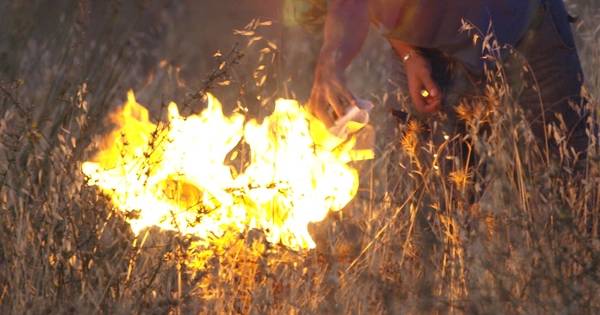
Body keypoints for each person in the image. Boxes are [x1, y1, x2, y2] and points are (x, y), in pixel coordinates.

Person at [307, 0, 589, 159]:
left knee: (570, 168)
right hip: (429, 54)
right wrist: (408, 55)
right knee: (425, 216)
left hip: (526, 30)